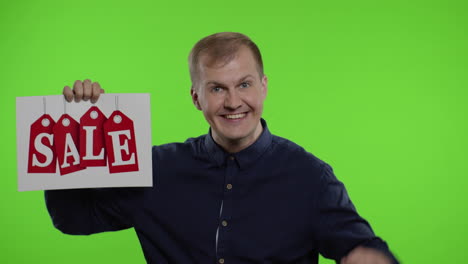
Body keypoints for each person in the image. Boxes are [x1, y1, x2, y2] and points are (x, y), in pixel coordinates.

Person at [46, 32, 399, 264]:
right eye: (216, 89)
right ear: (196, 97)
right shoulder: (154, 169)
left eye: (244, 84)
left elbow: (362, 249)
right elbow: (72, 218)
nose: (233, 102)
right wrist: (75, 133)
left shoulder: (310, 177)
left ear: (263, 86)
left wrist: (368, 257)